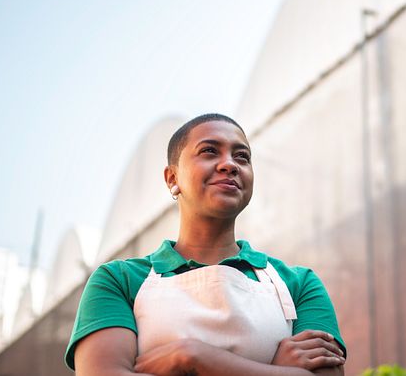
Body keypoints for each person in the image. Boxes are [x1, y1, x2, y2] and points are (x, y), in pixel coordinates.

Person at [65, 113, 346, 375]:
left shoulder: (300, 284)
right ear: (172, 179)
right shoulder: (118, 281)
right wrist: (275, 370)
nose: (230, 164)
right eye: (209, 151)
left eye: (242, 157)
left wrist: (193, 357)